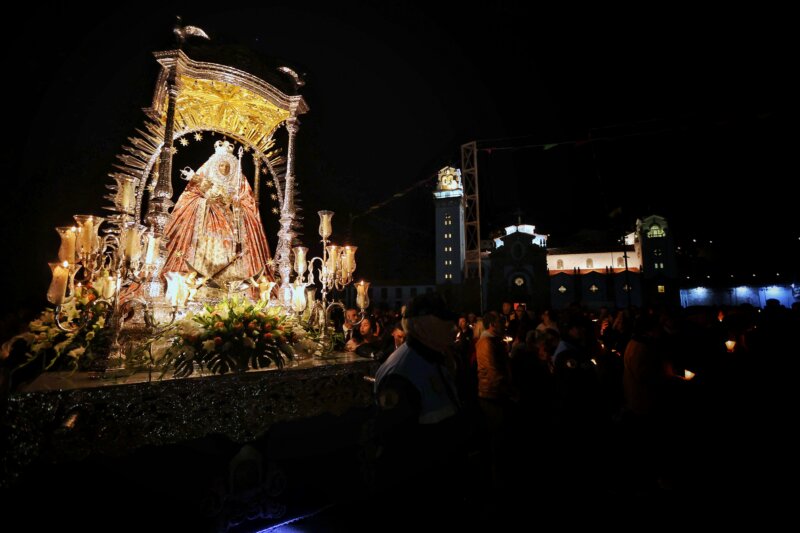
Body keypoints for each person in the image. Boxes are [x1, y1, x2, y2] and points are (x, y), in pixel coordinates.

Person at [372, 292, 464, 515]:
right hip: (419, 490)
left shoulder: (436, 357)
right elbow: (398, 445)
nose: (453, 327)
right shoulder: (403, 371)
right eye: (444, 320)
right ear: (423, 325)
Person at [162, 140, 272, 288]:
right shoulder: (204, 176)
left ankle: (225, 283)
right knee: (206, 245)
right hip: (207, 218)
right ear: (216, 165)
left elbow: (247, 202)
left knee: (228, 247)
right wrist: (207, 201)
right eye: (221, 165)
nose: (224, 168)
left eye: (227, 166)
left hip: (228, 220)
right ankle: (200, 282)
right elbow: (191, 196)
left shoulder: (238, 181)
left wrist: (235, 203)